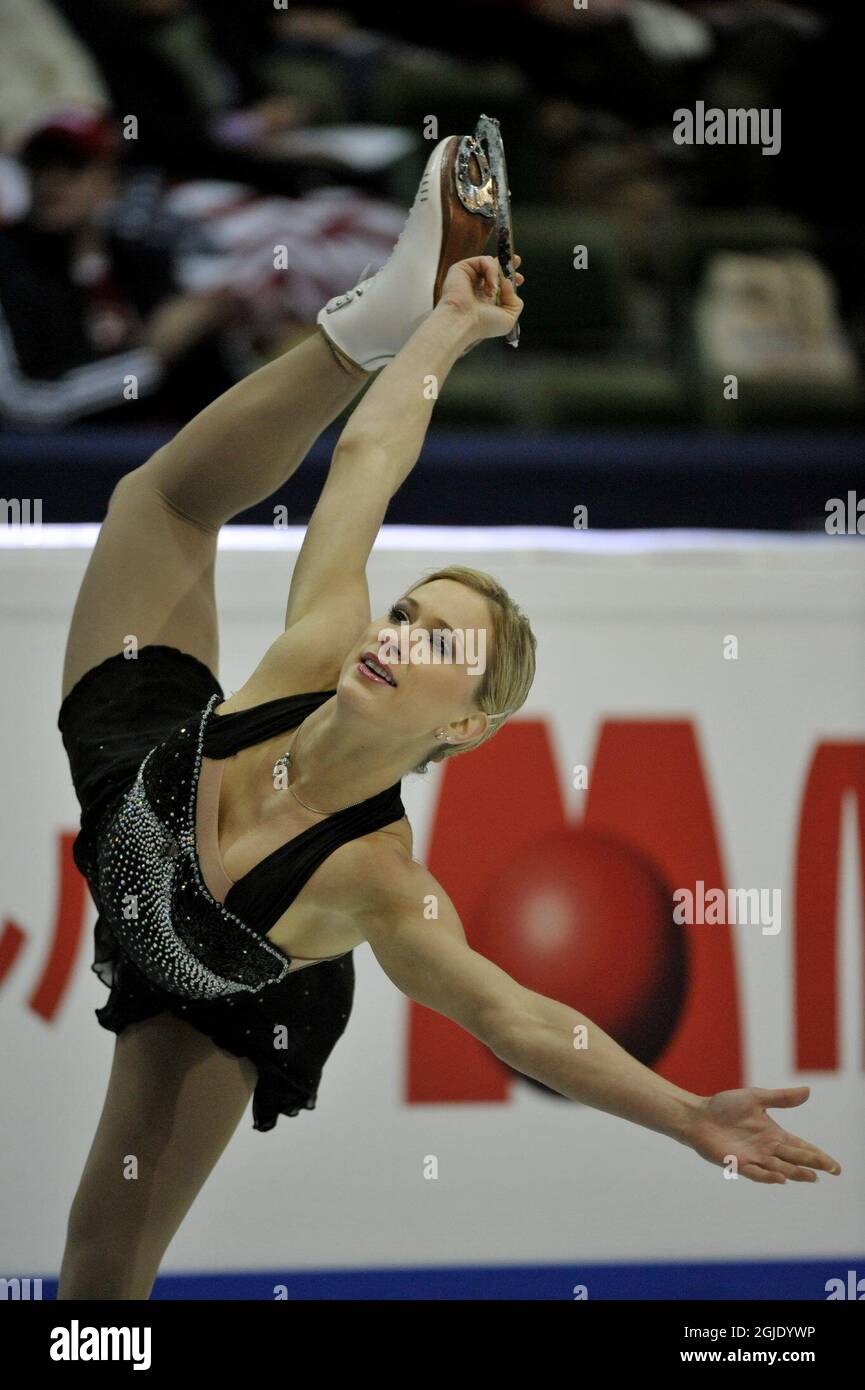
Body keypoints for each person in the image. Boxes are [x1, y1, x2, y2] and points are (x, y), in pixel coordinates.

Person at [55, 133, 840, 1300]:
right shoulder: (321, 647)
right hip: (144, 767)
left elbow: (519, 1019)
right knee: (159, 498)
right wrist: (442, 328)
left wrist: (686, 1116)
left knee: (101, 1275)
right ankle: (359, 322)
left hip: (214, 987)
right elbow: (366, 459)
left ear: (466, 725)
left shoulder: (381, 883)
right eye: (407, 613)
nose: (392, 635)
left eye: (435, 644)